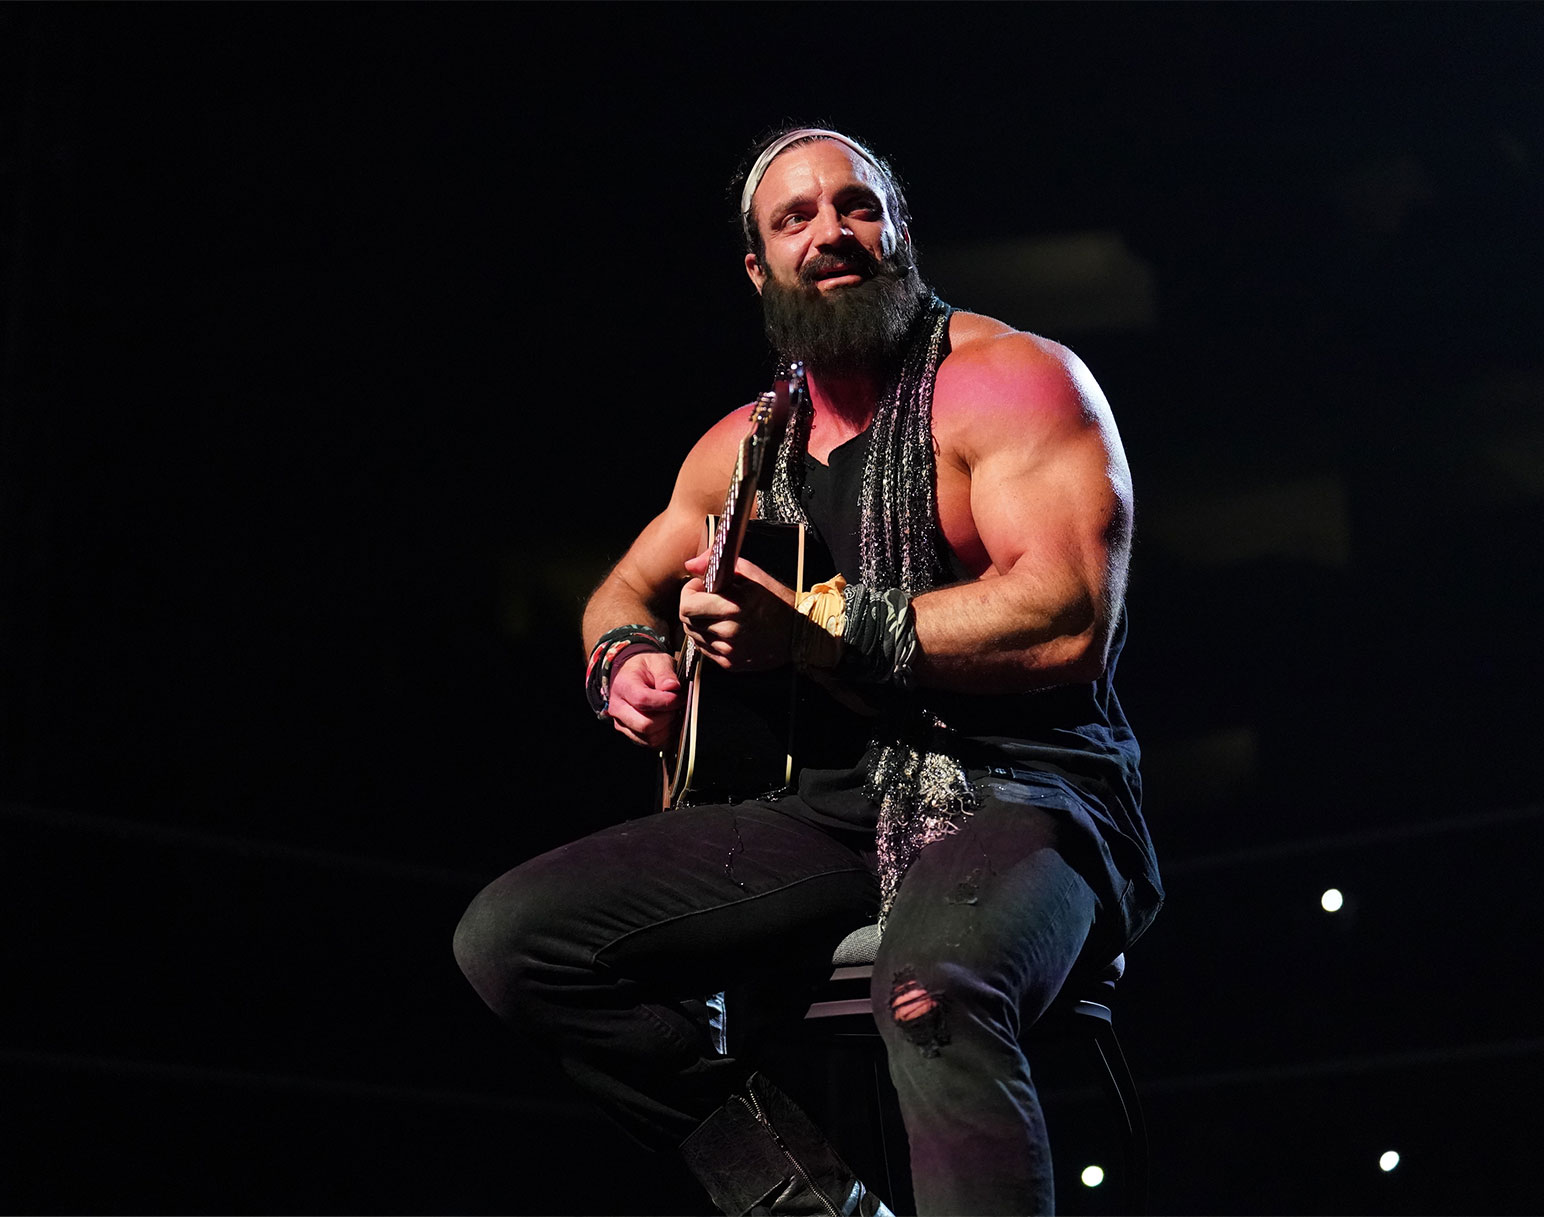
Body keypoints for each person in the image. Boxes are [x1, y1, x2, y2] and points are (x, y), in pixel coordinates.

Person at [454, 124, 1164, 1216]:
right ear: (758, 267)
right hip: (833, 806)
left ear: (900, 230)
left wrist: (825, 635)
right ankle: (813, 1204)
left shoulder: (1010, 383)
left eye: (857, 206)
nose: (831, 232)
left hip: (1031, 789)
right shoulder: (745, 446)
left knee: (931, 986)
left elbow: (1069, 618)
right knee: (516, 941)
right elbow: (615, 592)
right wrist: (623, 660)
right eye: (795, 218)